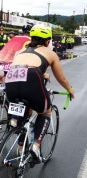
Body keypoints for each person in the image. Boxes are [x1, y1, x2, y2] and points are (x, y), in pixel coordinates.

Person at [5, 24, 75, 161]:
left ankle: (20, 144)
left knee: (25, 111)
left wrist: (42, 75)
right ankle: (36, 146)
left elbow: (23, 69)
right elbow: (61, 78)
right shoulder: (50, 53)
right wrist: (70, 89)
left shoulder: (20, 52)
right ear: (48, 41)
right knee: (45, 112)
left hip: (11, 84)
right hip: (32, 80)